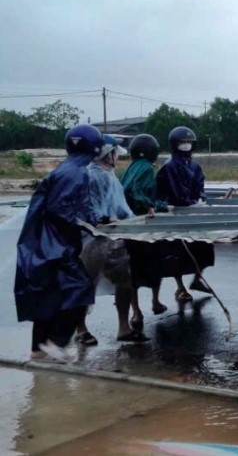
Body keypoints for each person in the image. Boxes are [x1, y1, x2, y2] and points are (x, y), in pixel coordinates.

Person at [15, 124, 102, 364]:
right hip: (57, 246)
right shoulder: (78, 173)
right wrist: (89, 224)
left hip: (40, 243)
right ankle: (58, 344)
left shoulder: (65, 169)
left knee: (47, 294)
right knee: (81, 290)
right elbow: (63, 210)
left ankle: (37, 351)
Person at [74, 134, 147, 345]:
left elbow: (122, 209)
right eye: (115, 152)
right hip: (92, 240)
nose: (118, 156)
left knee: (124, 282)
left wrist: (138, 221)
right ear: (107, 154)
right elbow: (91, 211)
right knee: (86, 284)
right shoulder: (92, 177)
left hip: (114, 238)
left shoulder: (112, 177)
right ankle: (80, 329)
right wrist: (104, 219)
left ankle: (124, 328)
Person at [155, 126, 215, 302]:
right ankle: (180, 287)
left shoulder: (195, 166)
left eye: (189, 142)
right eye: (183, 142)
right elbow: (175, 191)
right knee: (178, 253)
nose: (186, 145)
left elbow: (200, 186)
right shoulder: (169, 167)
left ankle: (197, 279)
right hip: (176, 213)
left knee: (204, 248)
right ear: (175, 144)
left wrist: (200, 200)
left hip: (194, 212)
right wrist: (187, 203)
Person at [119, 133, 169, 331]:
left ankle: (136, 312)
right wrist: (159, 206)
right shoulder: (147, 168)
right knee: (154, 266)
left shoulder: (129, 168)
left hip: (129, 225)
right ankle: (155, 302)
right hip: (145, 226)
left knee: (133, 271)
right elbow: (138, 193)